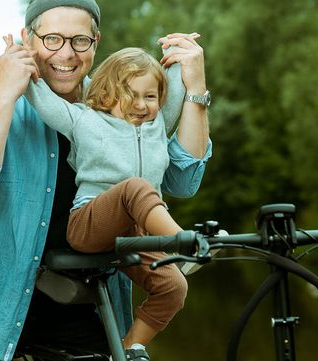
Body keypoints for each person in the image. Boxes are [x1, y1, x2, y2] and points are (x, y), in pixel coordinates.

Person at [0, 1, 211, 360]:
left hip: (84, 308)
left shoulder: (119, 105)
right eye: (52, 39)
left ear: (95, 43)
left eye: (79, 41)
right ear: (27, 39)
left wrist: (195, 90)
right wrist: (6, 93)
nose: (66, 53)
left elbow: (183, 181)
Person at [17, 43, 208, 358]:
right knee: (134, 187)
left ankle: (130, 347)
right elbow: (45, 102)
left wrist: (179, 57)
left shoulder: (157, 124)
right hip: (90, 224)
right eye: (130, 94)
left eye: (150, 96)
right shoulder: (85, 121)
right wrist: (25, 65)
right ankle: (182, 244)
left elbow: (175, 91)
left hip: (136, 236)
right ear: (105, 93)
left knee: (174, 287)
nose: (142, 104)